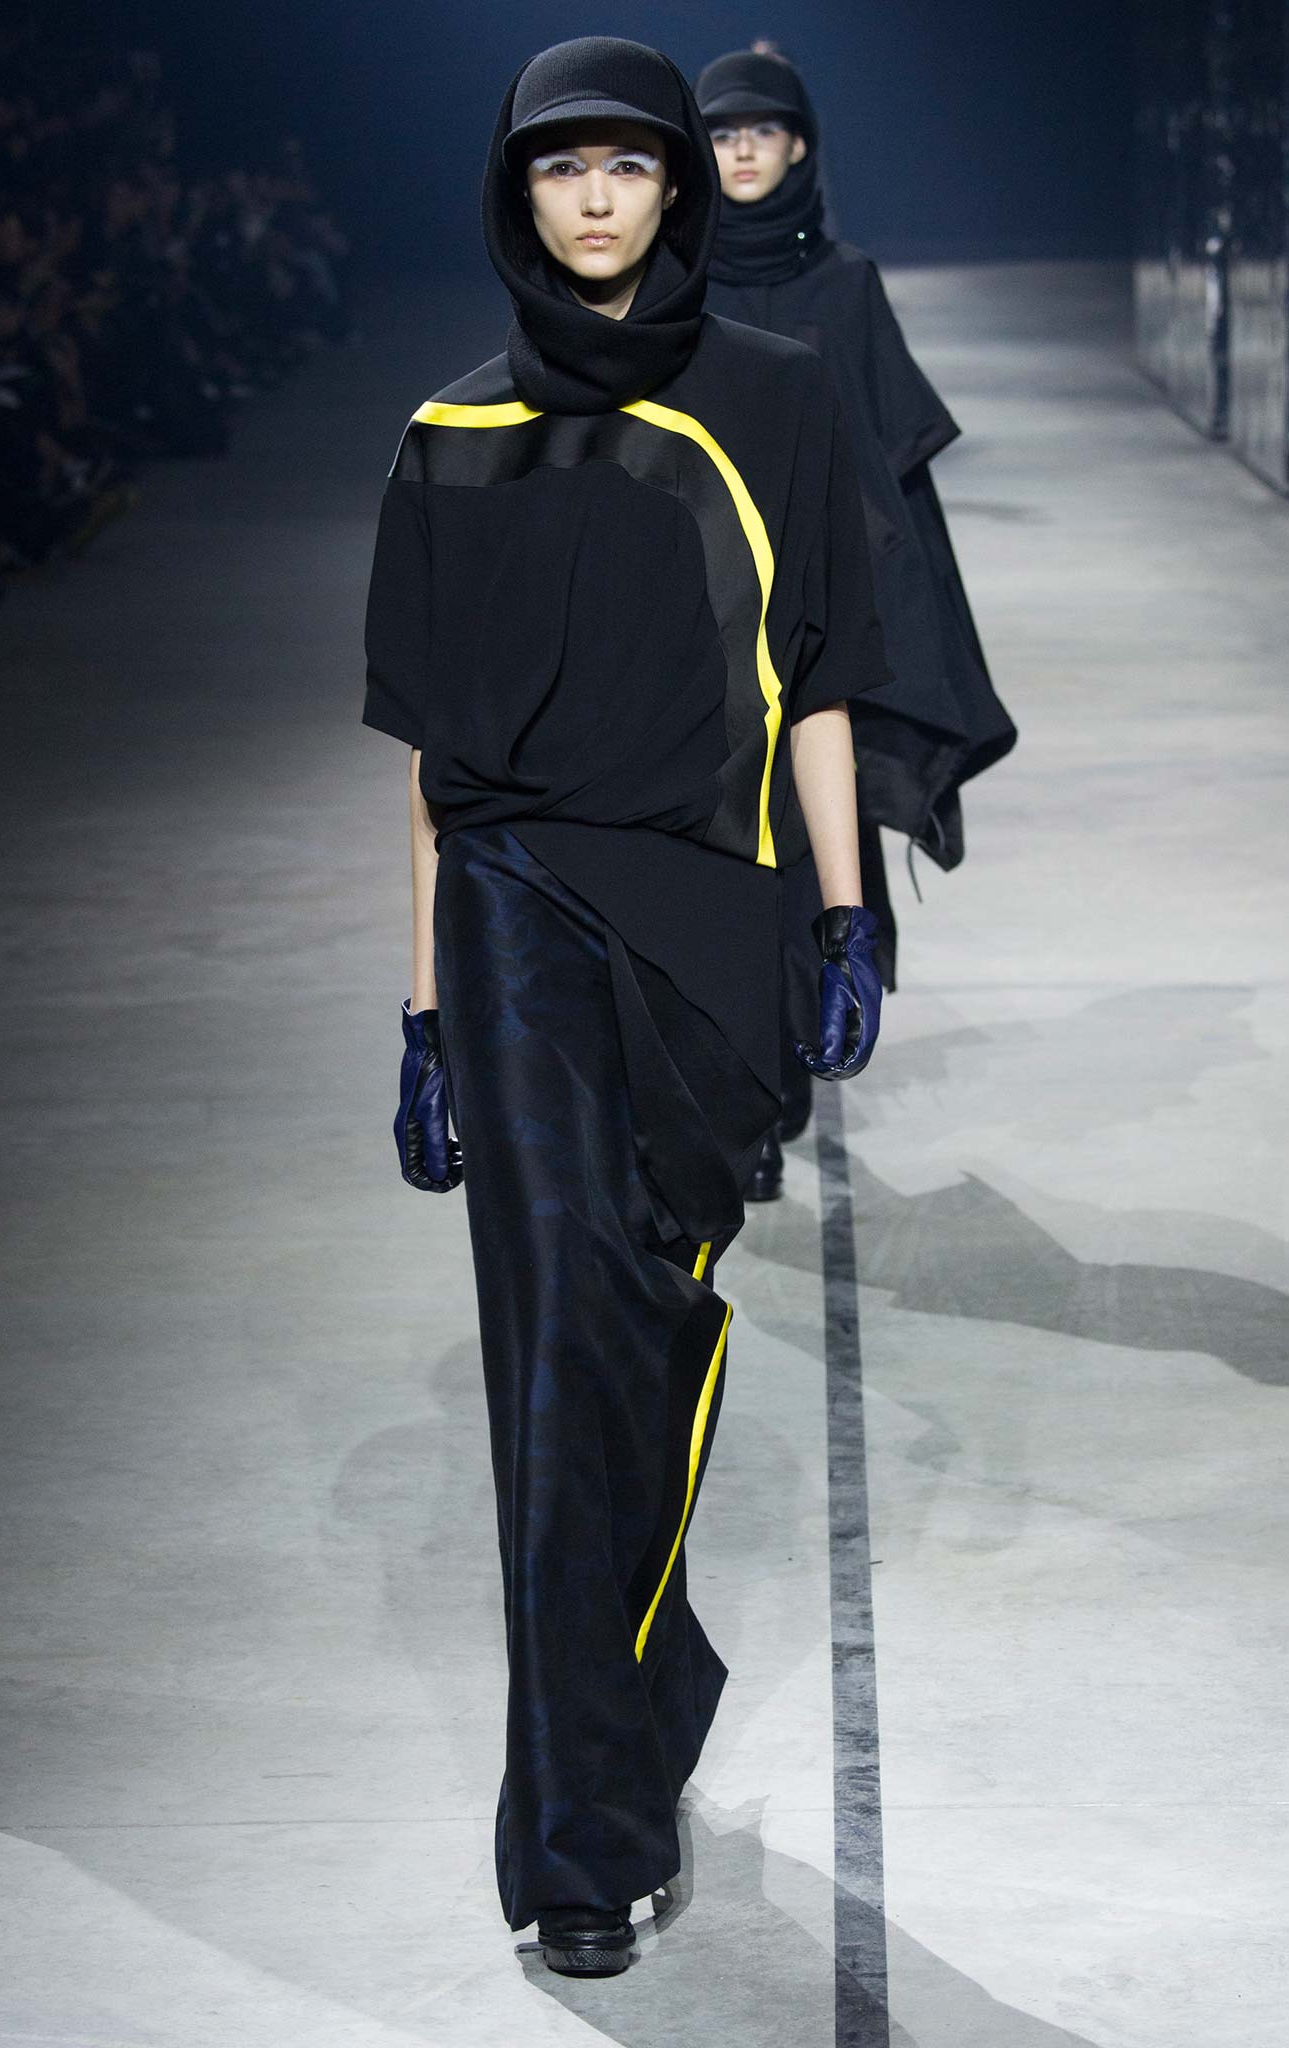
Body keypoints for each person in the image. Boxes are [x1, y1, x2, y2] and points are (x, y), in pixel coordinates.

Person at [364, 36, 889, 1977]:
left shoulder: (777, 394)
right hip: (514, 911)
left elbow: (817, 675)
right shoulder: (446, 430)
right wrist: (426, 1012)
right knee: (552, 1346)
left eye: (626, 164)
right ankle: (579, 1837)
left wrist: (843, 916)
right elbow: (429, 762)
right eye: (556, 167)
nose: (593, 196)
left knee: (643, 1328)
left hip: (707, 929)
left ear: (676, 188)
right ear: (517, 197)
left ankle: (642, 1687)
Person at [696, 45, 1018, 1198]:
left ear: (799, 147)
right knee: (714, 853)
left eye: (761, 129)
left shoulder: (845, 285)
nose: (740, 150)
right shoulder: (670, 283)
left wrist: (914, 631)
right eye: (720, 131)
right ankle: (743, 1092)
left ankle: (781, 1073)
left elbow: (894, 473)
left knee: (801, 853)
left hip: (815, 611)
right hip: (701, 606)